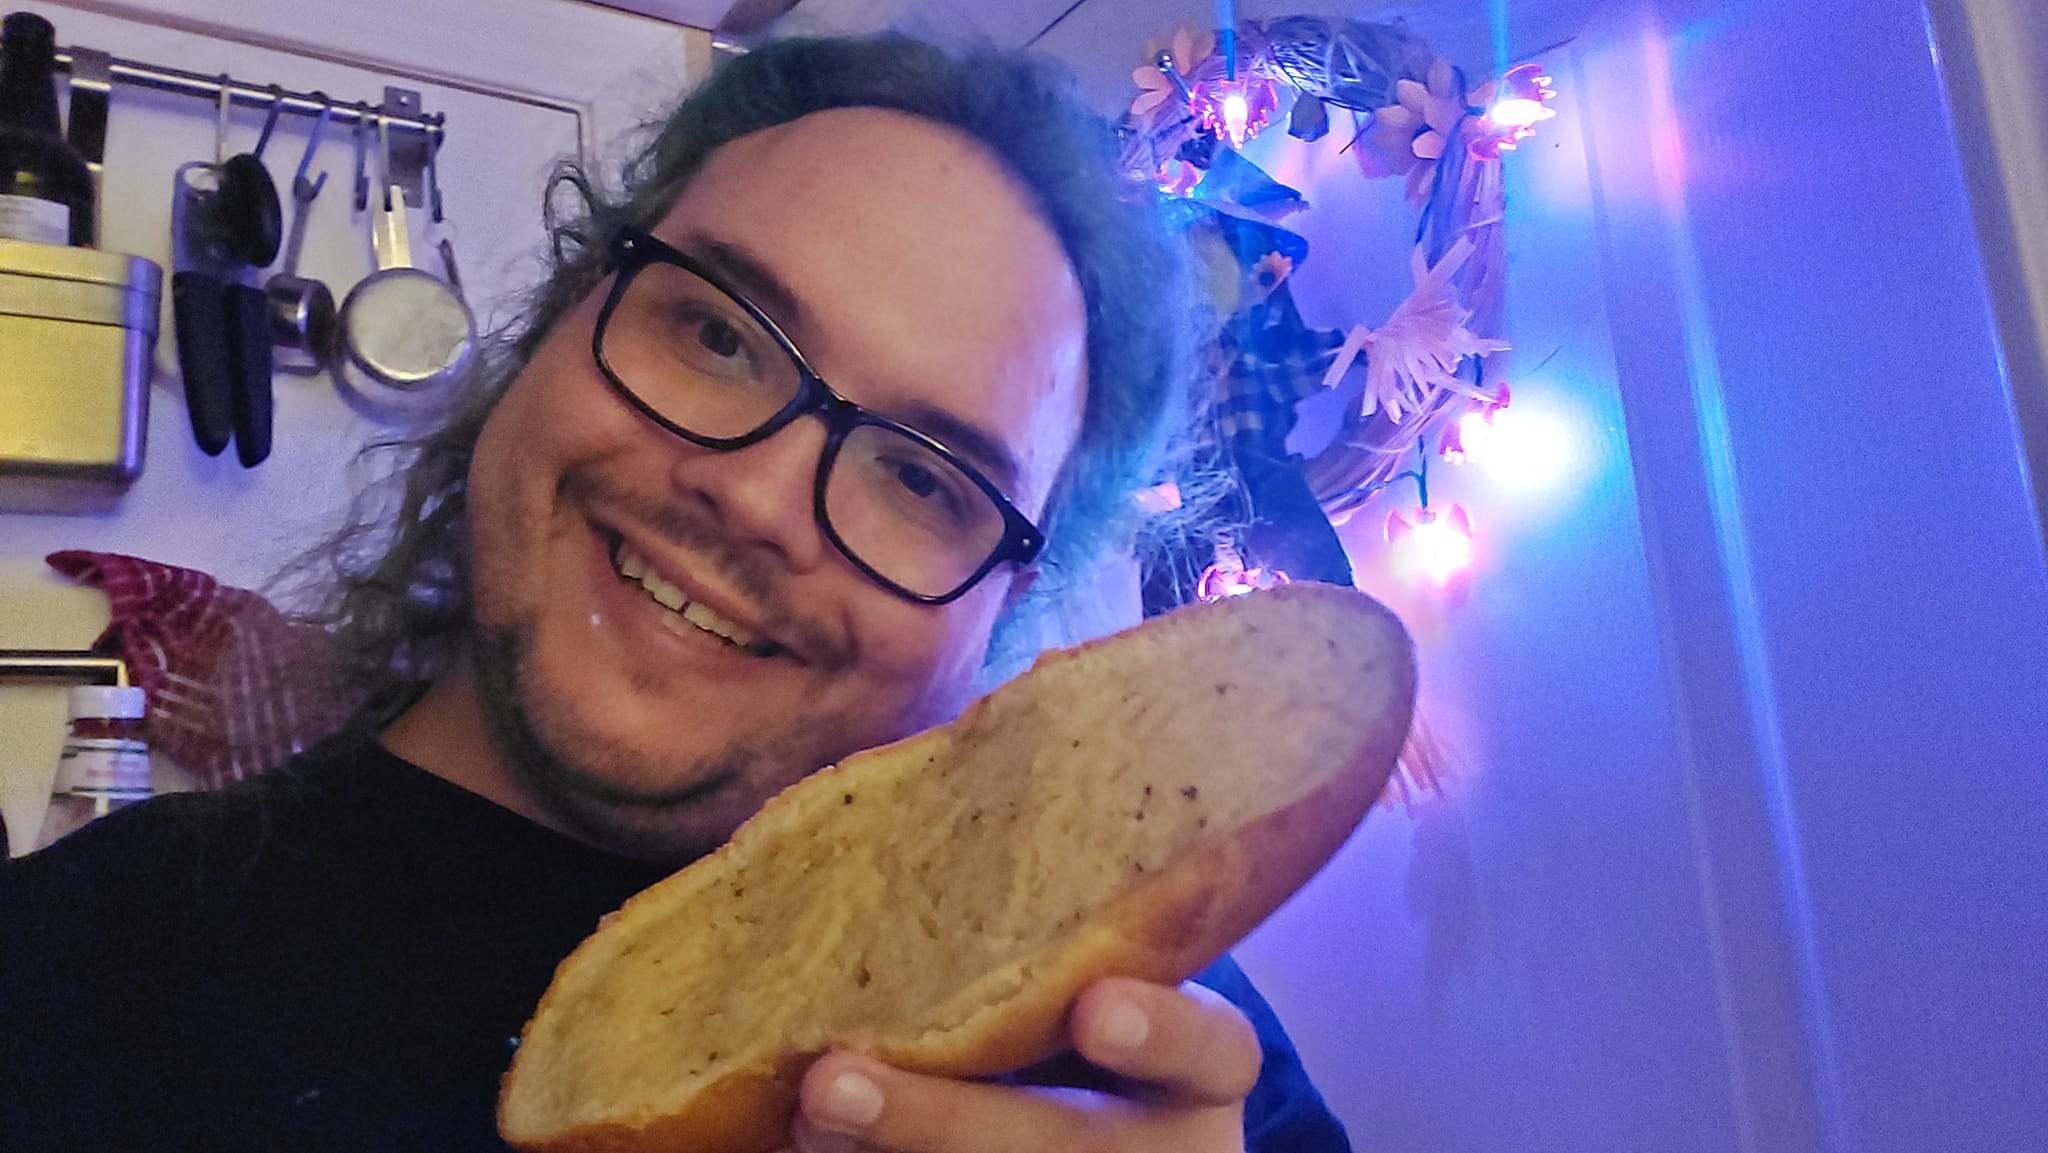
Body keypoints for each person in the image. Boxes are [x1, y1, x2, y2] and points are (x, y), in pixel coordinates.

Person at [0, 35, 1351, 1153]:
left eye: (924, 478)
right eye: (717, 331)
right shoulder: (68, 977)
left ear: (1001, 613)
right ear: (565, 319)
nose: (759, 497)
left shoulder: (1143, 1051)